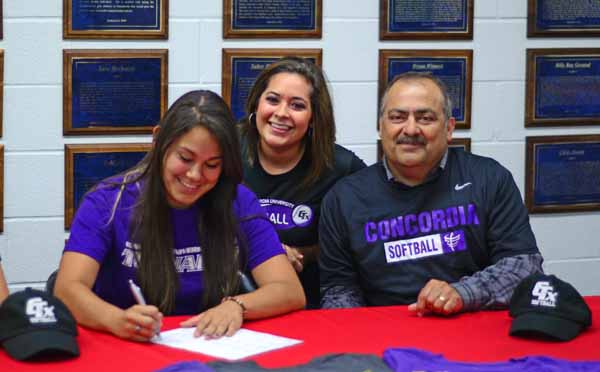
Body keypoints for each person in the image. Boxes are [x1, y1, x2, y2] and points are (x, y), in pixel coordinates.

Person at [54, 90, 305, 341]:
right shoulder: (107, 202)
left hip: (207, 345)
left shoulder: (238, 202)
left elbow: (289, 290)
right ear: (158, 141)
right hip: (126, 344)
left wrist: (237, 305)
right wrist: (116, 320)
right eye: (185, 158)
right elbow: (67, 289)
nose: (195, 175)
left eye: (212, 165)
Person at [319, 72, 544, 316]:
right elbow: (338, 289)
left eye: (425, 118)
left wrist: (462, 293)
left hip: (470, 321)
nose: (411, 129)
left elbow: (524, 267)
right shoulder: (343, 198)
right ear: (381, 126)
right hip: (384, 331)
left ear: (448, 128)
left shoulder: (489, 179)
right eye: (397, 117)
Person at [239, 57, 366, 308]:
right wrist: (267, 253)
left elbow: (360, 240)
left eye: (297, 105)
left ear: (314, 117)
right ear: (257, 103)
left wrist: (303, 254)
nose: (281, 113)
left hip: (308, 303)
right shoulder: (226, 149)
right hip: (230, 298)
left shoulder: (341, 167)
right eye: (272, 100)